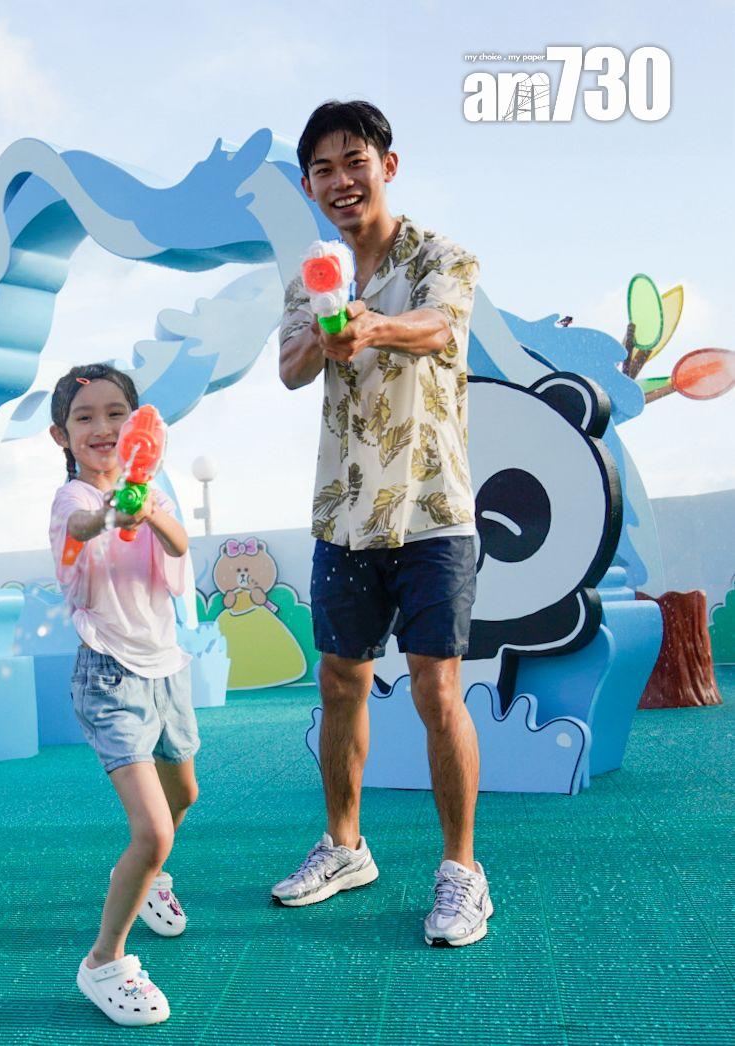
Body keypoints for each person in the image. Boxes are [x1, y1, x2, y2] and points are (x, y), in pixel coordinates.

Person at [274, 99, 492, 947]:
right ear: (307, 185)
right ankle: (343, 845)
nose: (340, 179)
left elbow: (440, 327)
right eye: (322, 168)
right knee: (339, 682)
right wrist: (324, 336)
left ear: (386, 166)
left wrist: (370, 326)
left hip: (433, 506)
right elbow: (290, 369)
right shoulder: (312, 273)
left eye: (354, 160)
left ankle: (461, 872)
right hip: (343, 511)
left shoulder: (441, 254)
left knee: (438, 688)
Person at [48, 364, 196, 1026]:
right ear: (62, 433)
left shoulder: (154, 484)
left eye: (116, 414)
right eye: (85, 417)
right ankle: (103, 960)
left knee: (183, 795)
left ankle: (148, 877)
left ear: (141, 427)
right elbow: (78, 530)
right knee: (152, 830)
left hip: (167, 667)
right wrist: (112, 510)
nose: (102, 427)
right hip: (109, 676)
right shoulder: (71, 497)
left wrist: (151, 508)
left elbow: (179, 546)